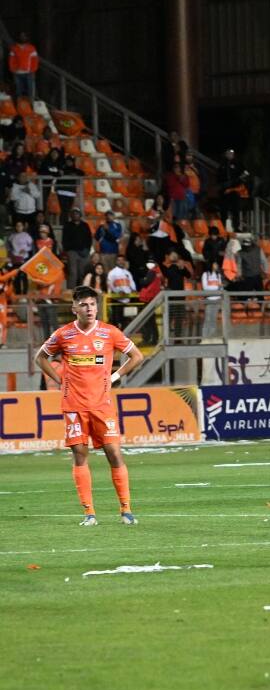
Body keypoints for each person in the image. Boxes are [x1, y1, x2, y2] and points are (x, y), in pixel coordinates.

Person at [34, 285, 146, 525]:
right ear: (74, 308)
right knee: (79, 454)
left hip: (102, 406)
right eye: (83, 305)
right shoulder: (63, 335)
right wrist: (59, 379)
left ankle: (126, 510)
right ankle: (89, 513)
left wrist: (115, 377)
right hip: (74, 405)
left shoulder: (109, 333)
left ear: (97, 306)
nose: (89, 309)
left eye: (92, 304)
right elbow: (40, 357)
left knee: (114, 453)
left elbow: (137, 356)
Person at [217, 148, 250, 231]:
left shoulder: (238, 163)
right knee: (223, 210)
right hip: (224, 190)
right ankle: (223, 227)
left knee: (235, 209)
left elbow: (245, 174)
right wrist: (222, 185)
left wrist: (239, 180)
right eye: (228, 153)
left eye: (231, 153)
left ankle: (236, 227)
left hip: (235, 190)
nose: (230, 155)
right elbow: (218, 177)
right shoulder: (222, 164)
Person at [61, 208, 92, 288]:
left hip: (84, 252)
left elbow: (89, 238)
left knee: (82, 272)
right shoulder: (67, 225)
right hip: (72, 251)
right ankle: (70, 293)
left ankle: (82, 291)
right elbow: (64, 239)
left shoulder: (85, 225)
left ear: (80, 215)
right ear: (71, 215)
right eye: (73, 213)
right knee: (73, 273)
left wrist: (87, 249)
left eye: (77, 213)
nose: (75, 215)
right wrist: (68, 250)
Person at [7, 31, 39, 98]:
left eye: (24, 36)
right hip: (17, 73)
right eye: (21, 36)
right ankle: (19, 106)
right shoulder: (14, 48)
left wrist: (33, 70)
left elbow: (35, 60)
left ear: (26, 37)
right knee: (18, 91)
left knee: (30, 91)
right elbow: (11, 60)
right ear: (18, 37)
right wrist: (12, 69)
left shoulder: (31, 48)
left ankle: (30, 106)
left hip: (29, 73)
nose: (22, 37)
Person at [107, 256, 136, 328]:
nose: (121, 262)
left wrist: (134, 289)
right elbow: (110, 284)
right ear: (116, 262)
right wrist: (118, 291)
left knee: (126, 320)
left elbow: (132, 283)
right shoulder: (112, 272)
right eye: (119, 260)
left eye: (122, 260)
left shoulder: (128, 273)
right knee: (116, 321)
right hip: (117, 300)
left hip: (128, 299)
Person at [200, 259, 223, 338]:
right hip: (209, 300)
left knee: (214, 320)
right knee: (208, 319)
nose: (217, 265)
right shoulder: (205, 275)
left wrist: (217, 288)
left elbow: (221, 287)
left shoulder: (218, 275)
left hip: (217, 300)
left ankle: (212, 337)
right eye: (215, 264)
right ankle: (205, 338)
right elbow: (205, 288)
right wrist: (216, 288)